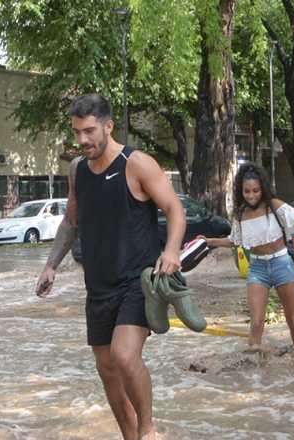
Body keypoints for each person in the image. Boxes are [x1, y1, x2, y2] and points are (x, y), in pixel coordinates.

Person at [34, 94, 185, 440]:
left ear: (108, 126)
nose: (83, 139)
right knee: (106, 369)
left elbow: (174, 209)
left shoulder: (137, 164)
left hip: (138, 282)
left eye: (89, 131)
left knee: (124, 356)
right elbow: (71, 223)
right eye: (77, 132)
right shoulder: (78, 170)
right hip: (98, 285)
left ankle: (148, 430)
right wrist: (50, 265)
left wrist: (172, 250)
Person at [198, 162, 294, 351]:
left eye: (256, 191)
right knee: (256, 323)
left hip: (282, 264)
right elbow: (234, 241)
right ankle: (254, 364)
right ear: (240, 191)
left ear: (263, 189)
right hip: (257, 269)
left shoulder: (275, 206)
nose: (251, 195)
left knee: (293, 320)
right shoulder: (240, 214)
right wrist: (208, 241)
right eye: (246, 191)